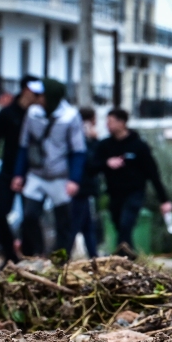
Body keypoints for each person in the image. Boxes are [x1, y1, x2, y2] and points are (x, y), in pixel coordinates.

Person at [11, 78, 86, 257]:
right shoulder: (32, 113)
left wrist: (74, 179)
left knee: (63, 221)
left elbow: (78, 151)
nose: (36, 97)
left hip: (59, 176)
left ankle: (60, 258)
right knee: (29, 216)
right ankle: (39, 251)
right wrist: (18, 174)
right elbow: (24, 146)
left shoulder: (70, 116)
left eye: (40, 94)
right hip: (36, 174)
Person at [92, 108, 172, 258]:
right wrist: (107, 163)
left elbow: (153, 173)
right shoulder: (105, 146)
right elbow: (92, 166)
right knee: (120, 227)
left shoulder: (138, 146)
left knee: (125, 224)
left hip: (134, 193)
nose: (107, 125)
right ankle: (130, 257)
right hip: (114, 194)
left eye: (111, 121)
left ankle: (120, 258)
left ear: (122, 123)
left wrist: (164, 200)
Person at [0, 76, 42, 265]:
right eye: (35, 92)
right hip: (8, 171)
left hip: (32, 174)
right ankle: (9, 256)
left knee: (31, 217)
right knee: (0, 213)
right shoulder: (7, 114)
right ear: (25, 90)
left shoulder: (39, 115)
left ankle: (28, 255)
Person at [61, 106, 101, 259]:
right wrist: (94, 141)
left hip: (83, 188)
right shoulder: (80, 139)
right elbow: (91, 161)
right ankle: (63, 258)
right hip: (80, 188)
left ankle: (94, 256)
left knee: (87, 226)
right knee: (75, 225)